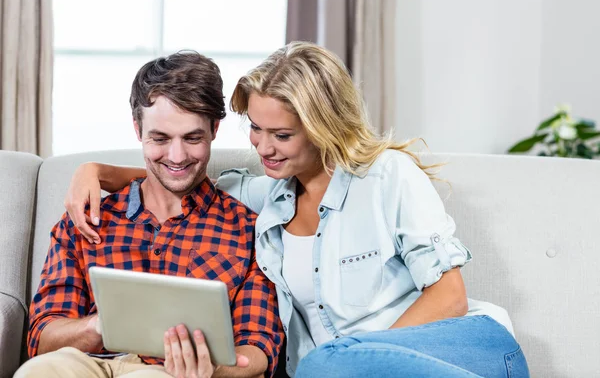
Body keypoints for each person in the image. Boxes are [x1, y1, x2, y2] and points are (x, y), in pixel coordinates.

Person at [64, 42, 529, 378]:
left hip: (463, 351)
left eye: (282, 135)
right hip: (343, 372)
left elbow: (450, 298)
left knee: (322, 363)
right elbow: (181, 174)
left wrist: (353, 357)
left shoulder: (388, 176)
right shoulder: (270, 195)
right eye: (255, 129)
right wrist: (95, 171)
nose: (263, 148)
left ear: (323, 127)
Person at [15, 51, 283, 378]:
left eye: (192, 138)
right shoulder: (85, 219)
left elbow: (258, 348)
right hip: (90, 363)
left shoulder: (247, 231)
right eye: (160, 138)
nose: (177, 156)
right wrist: (103, 325)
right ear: (137, 129)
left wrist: (211, 370)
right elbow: (42, 338)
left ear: (214, 129)